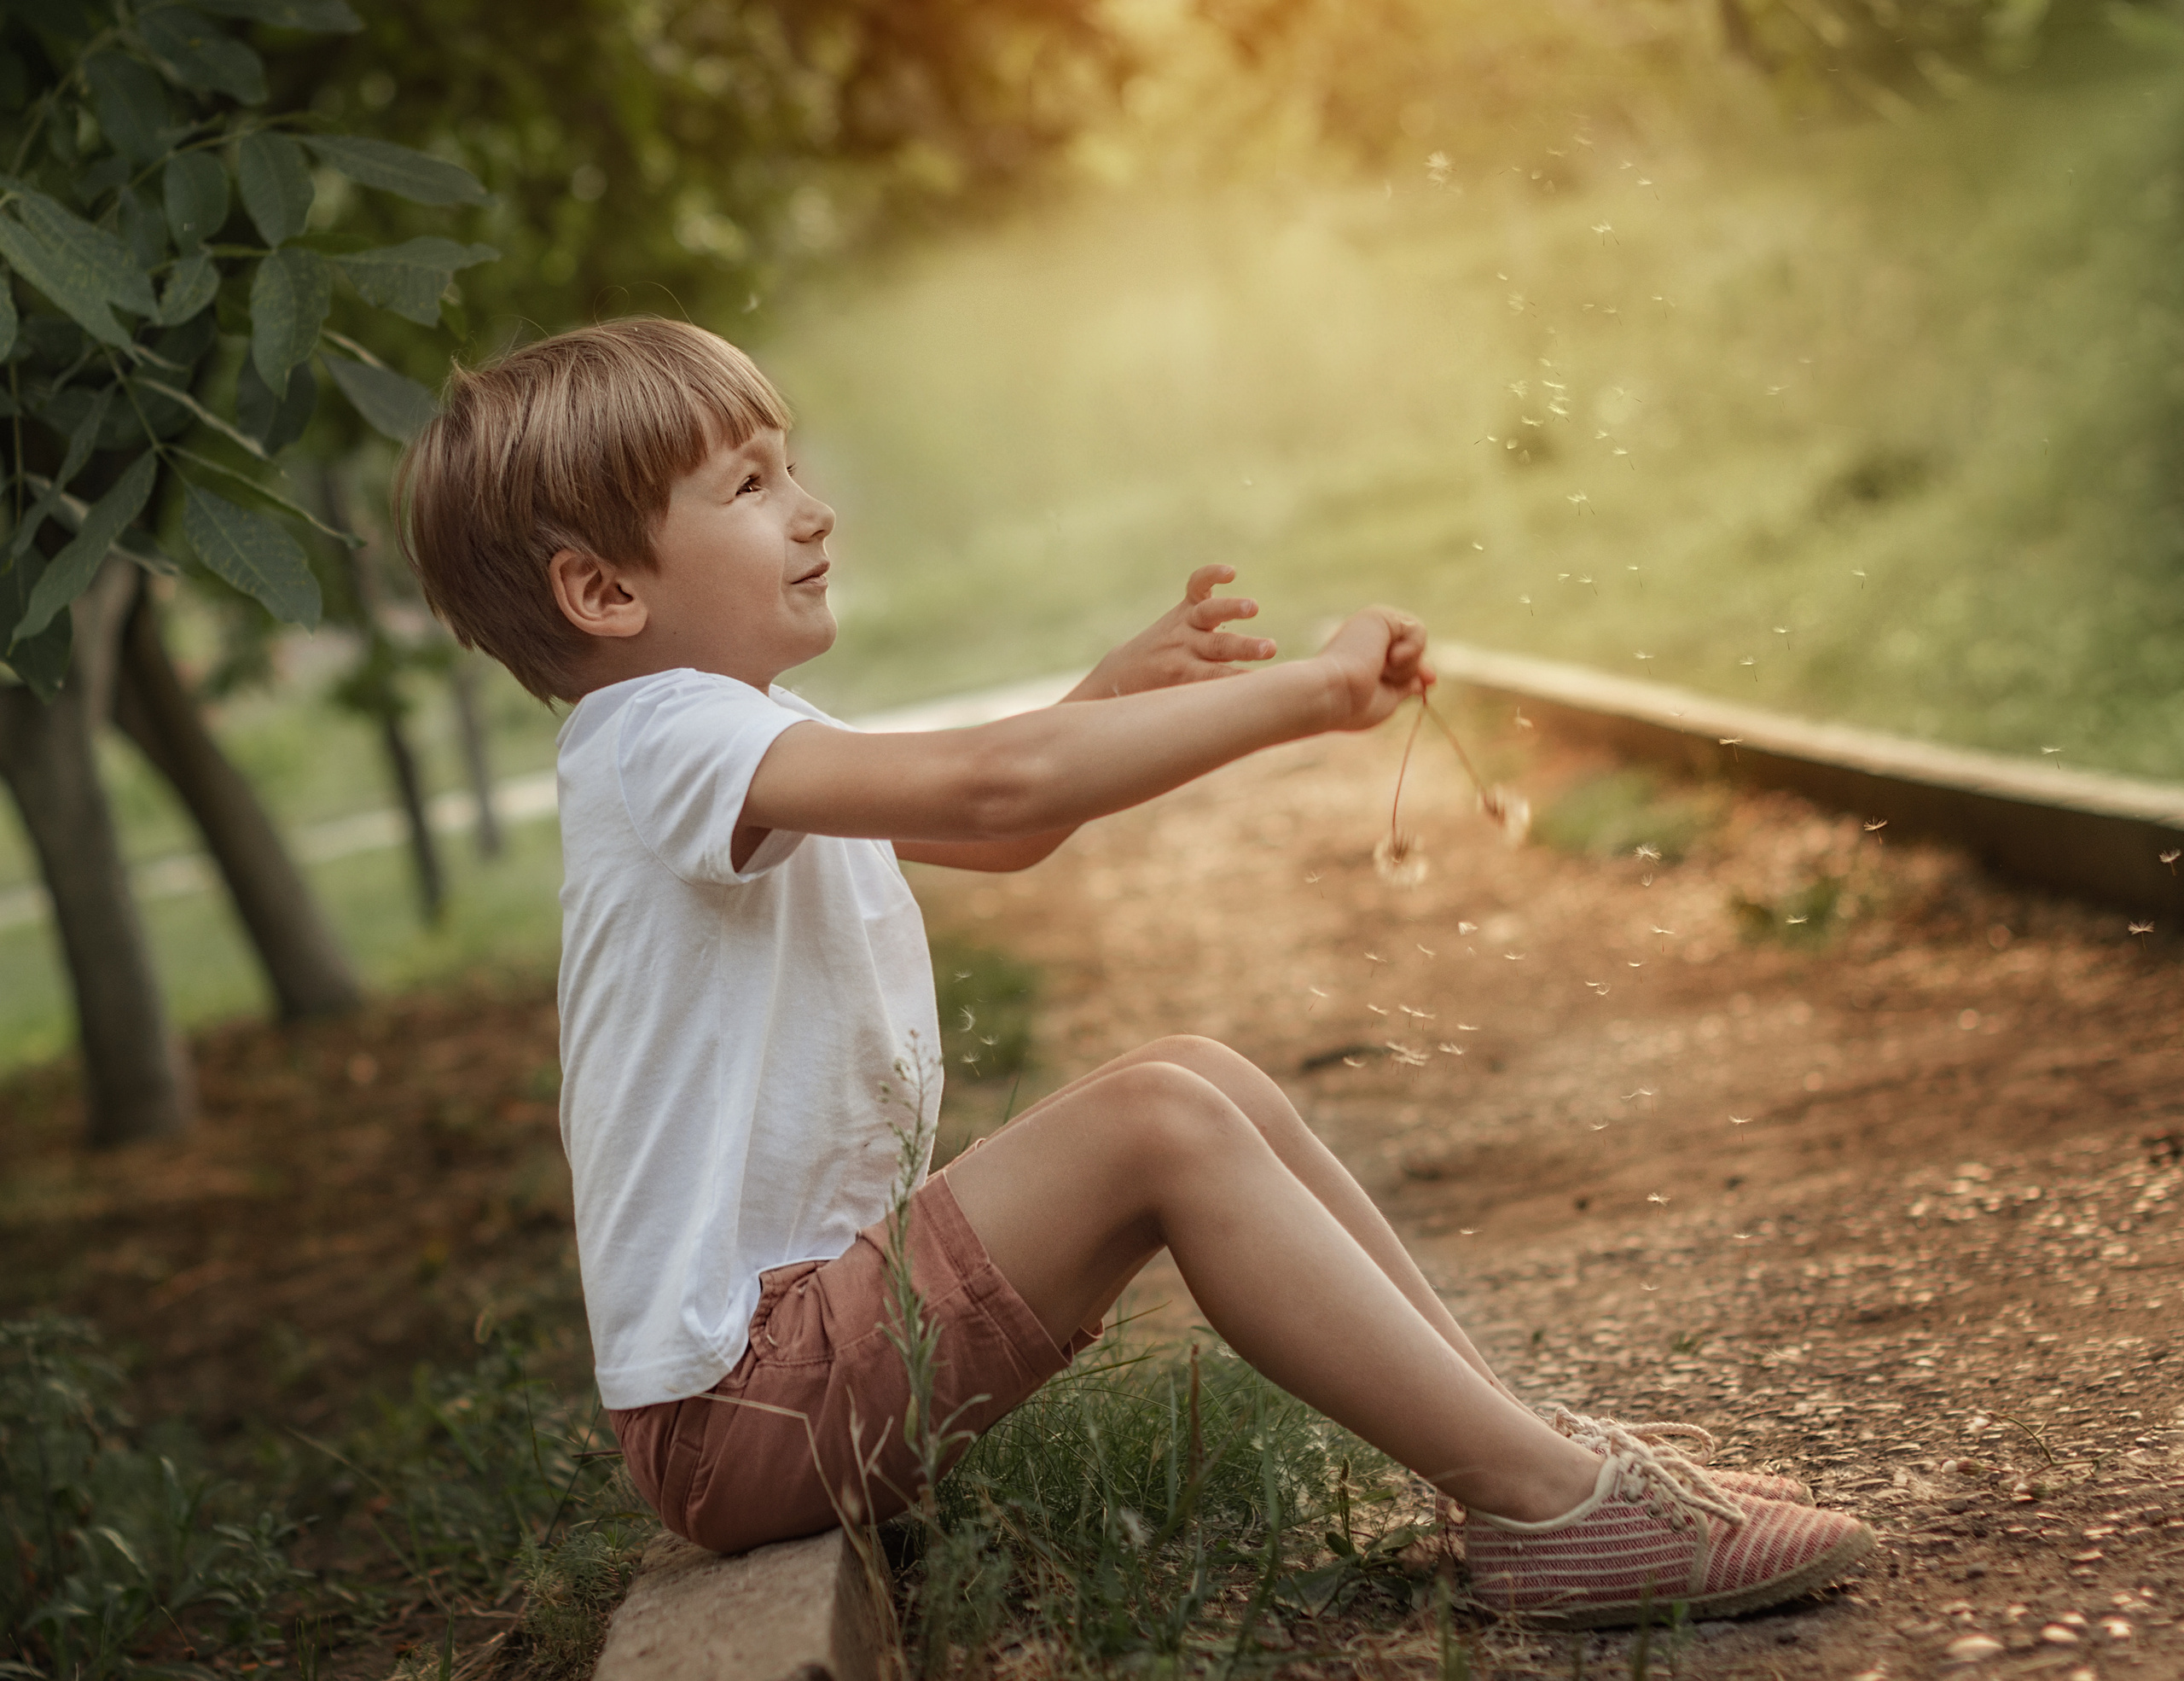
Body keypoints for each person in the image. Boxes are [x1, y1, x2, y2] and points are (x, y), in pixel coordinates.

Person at [397, 317, 1873, 1628]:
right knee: (1154, 1126)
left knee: (1199, 1078)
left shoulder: (723, 728)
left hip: (794, 1363)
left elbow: (1014, 822)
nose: (813, 509)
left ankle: (1528, 1460)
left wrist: (1099, 700)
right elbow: (991, 788)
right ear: (601, 591)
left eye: (791, 465)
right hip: (742, 1405)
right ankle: (1550, 1504)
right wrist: (1305, 698)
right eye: (749, 485)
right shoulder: (666, 734)